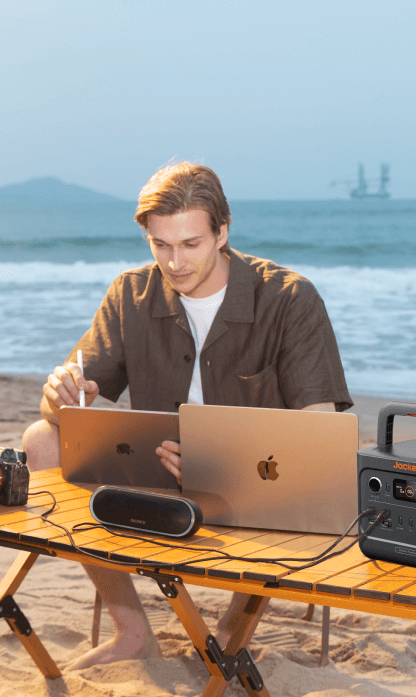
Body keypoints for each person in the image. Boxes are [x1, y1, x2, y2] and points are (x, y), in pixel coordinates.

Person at [23, 162, 352, 668]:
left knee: (289, 473)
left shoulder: (289, 298)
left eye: (191, 244)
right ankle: (132, 632)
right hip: (156, 468)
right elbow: (69, 408)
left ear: (222, 232)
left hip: (256, 479)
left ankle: (227, 634)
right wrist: (61, 395)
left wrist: (220, 458)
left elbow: (322, 430)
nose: (174, 262)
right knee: (40, 440)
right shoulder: (129, 293)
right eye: (161, 245)